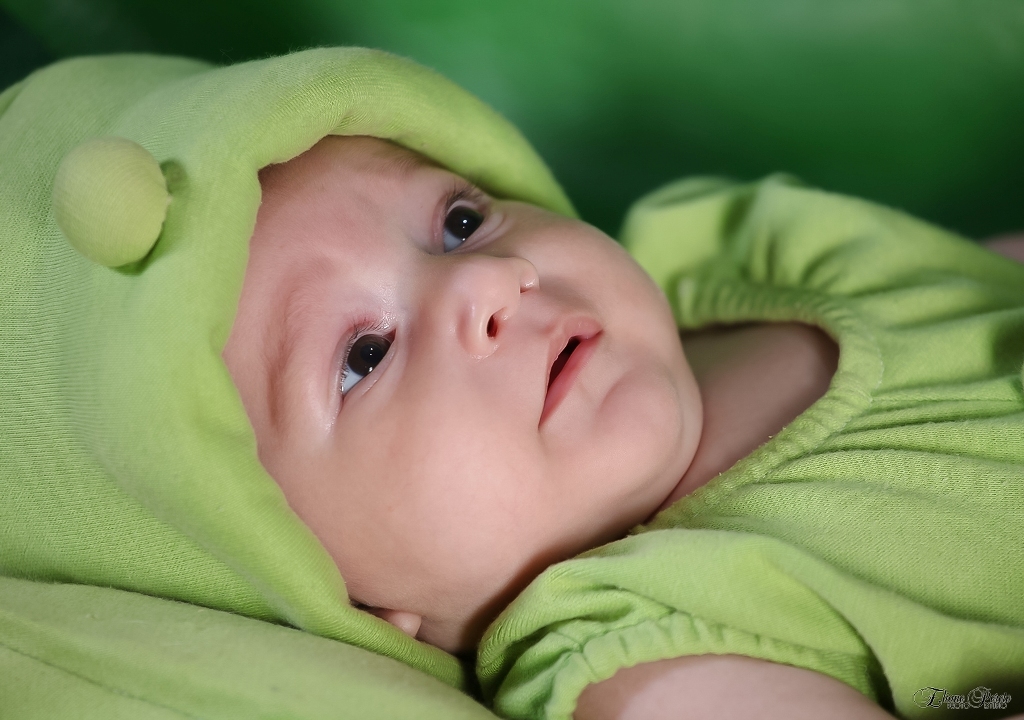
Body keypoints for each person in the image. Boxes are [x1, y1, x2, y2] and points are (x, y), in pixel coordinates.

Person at [1, 48, 1021, 719]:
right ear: (340, 591)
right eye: (363, 357)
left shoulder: (747, 253)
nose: (488, 281)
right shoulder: (642, 655)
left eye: (457, 222)